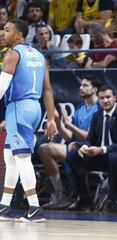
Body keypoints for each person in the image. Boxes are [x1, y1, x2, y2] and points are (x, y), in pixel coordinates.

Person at [0, 19, 57, 222]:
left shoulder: (13, 54)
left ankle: (34, 208)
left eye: (7, 30)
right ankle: (4, 206)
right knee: (10, 157)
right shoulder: (39, 56)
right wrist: (51, 119)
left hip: (18, 108)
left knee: (22, 158)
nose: (2, 33)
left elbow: (1, 88)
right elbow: (48, 89)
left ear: (19, 35)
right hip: (34, 108)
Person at [66, 85, 117, 212]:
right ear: (98, 100)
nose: (105, 101)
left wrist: (102, 149)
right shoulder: (97, 116)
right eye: (102, 98)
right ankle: (84, 199)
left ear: (114, 98)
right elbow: (90, 140)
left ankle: (114, 198)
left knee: (114, 156)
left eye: (108, 97)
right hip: (103, 157)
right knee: (73, 155)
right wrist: (84, 147)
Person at [38, 75, 100, 210]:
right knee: (44, 149)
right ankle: (60, 193)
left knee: (51, 149)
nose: (81, 88)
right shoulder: (80, 109)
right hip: (75, 147)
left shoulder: (99, 108)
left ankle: (77, 196)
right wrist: (59, 122)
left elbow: (89, 136)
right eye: (81, 85)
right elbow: (69, 137)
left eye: (85, 85)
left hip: (93, 148)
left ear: (94, 89)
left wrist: (69, 125)